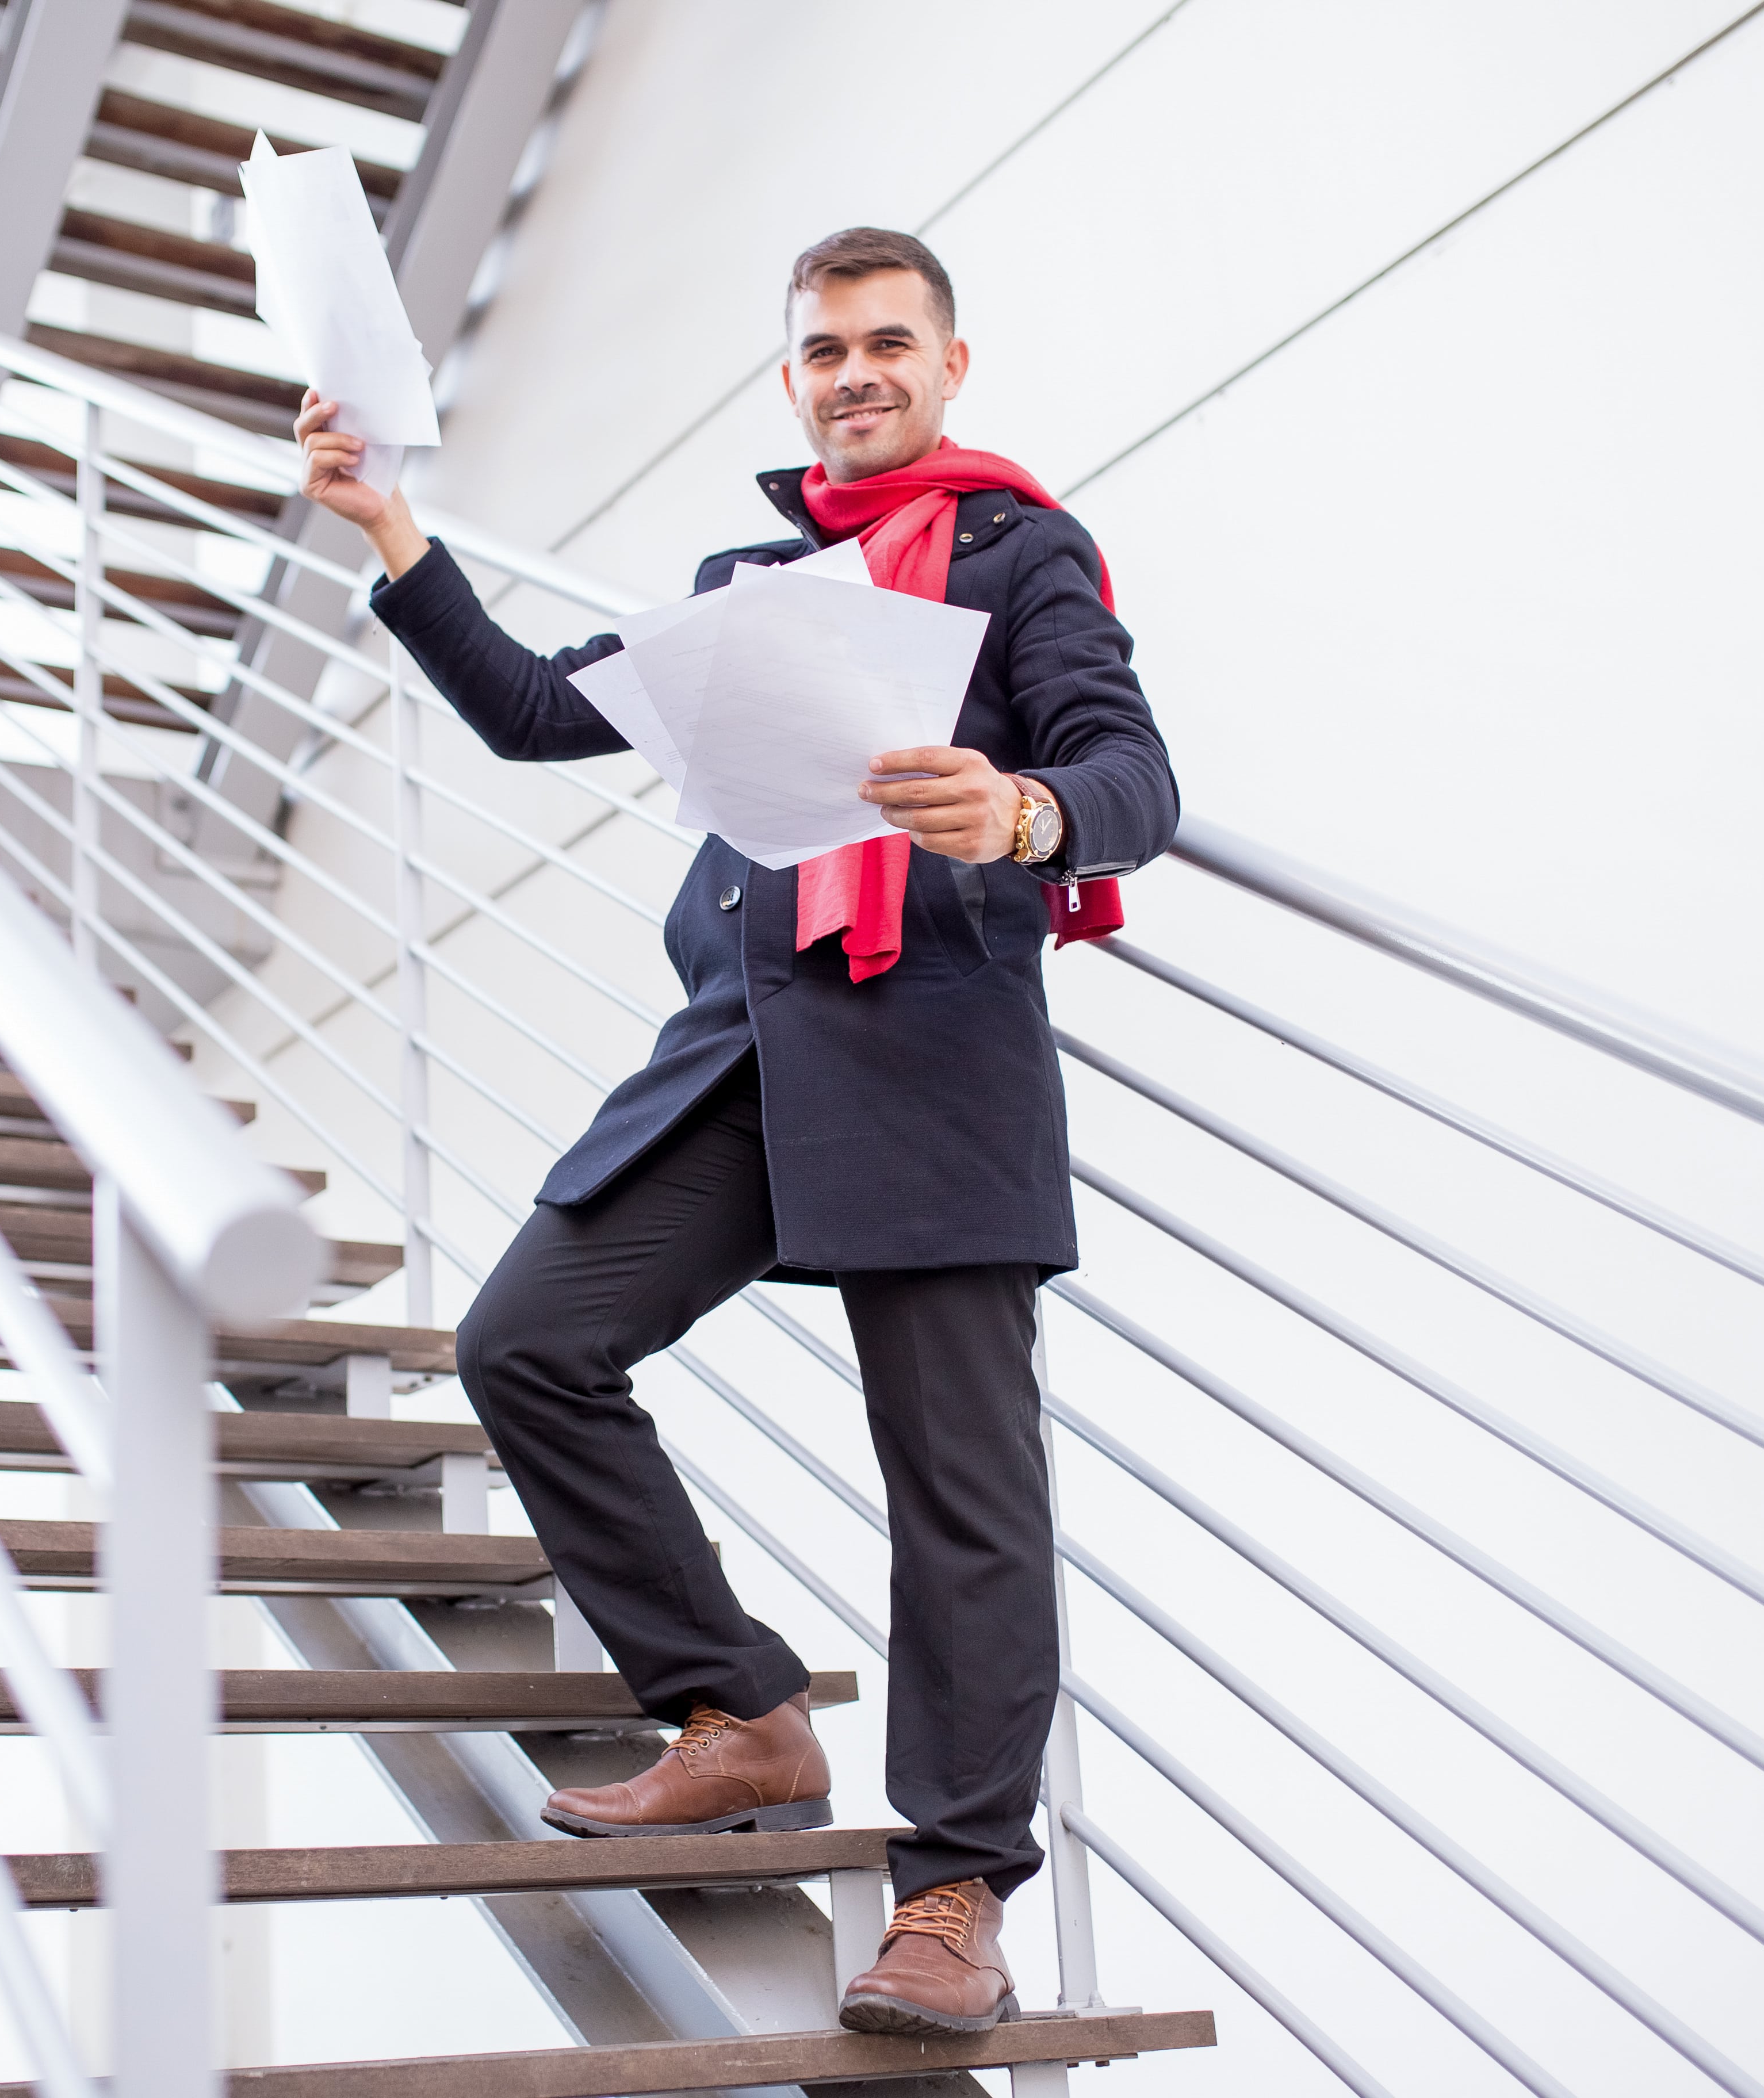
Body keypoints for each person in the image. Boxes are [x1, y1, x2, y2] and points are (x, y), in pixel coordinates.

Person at [293, 226, 1178, 2038]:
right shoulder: (752, 580)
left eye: (887, 344)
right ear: (791, 383)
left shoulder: (1022, 555)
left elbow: (1131, 778)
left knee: (963, 1503)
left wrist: (1016, 812)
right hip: (746, 1060)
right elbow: (540, 712)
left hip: (935, 1062)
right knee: (526, 1342)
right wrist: (391, 527)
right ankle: (741, 1707)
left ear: (947, 365)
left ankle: (952, 1897)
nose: (856, 376)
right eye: (825, 353)